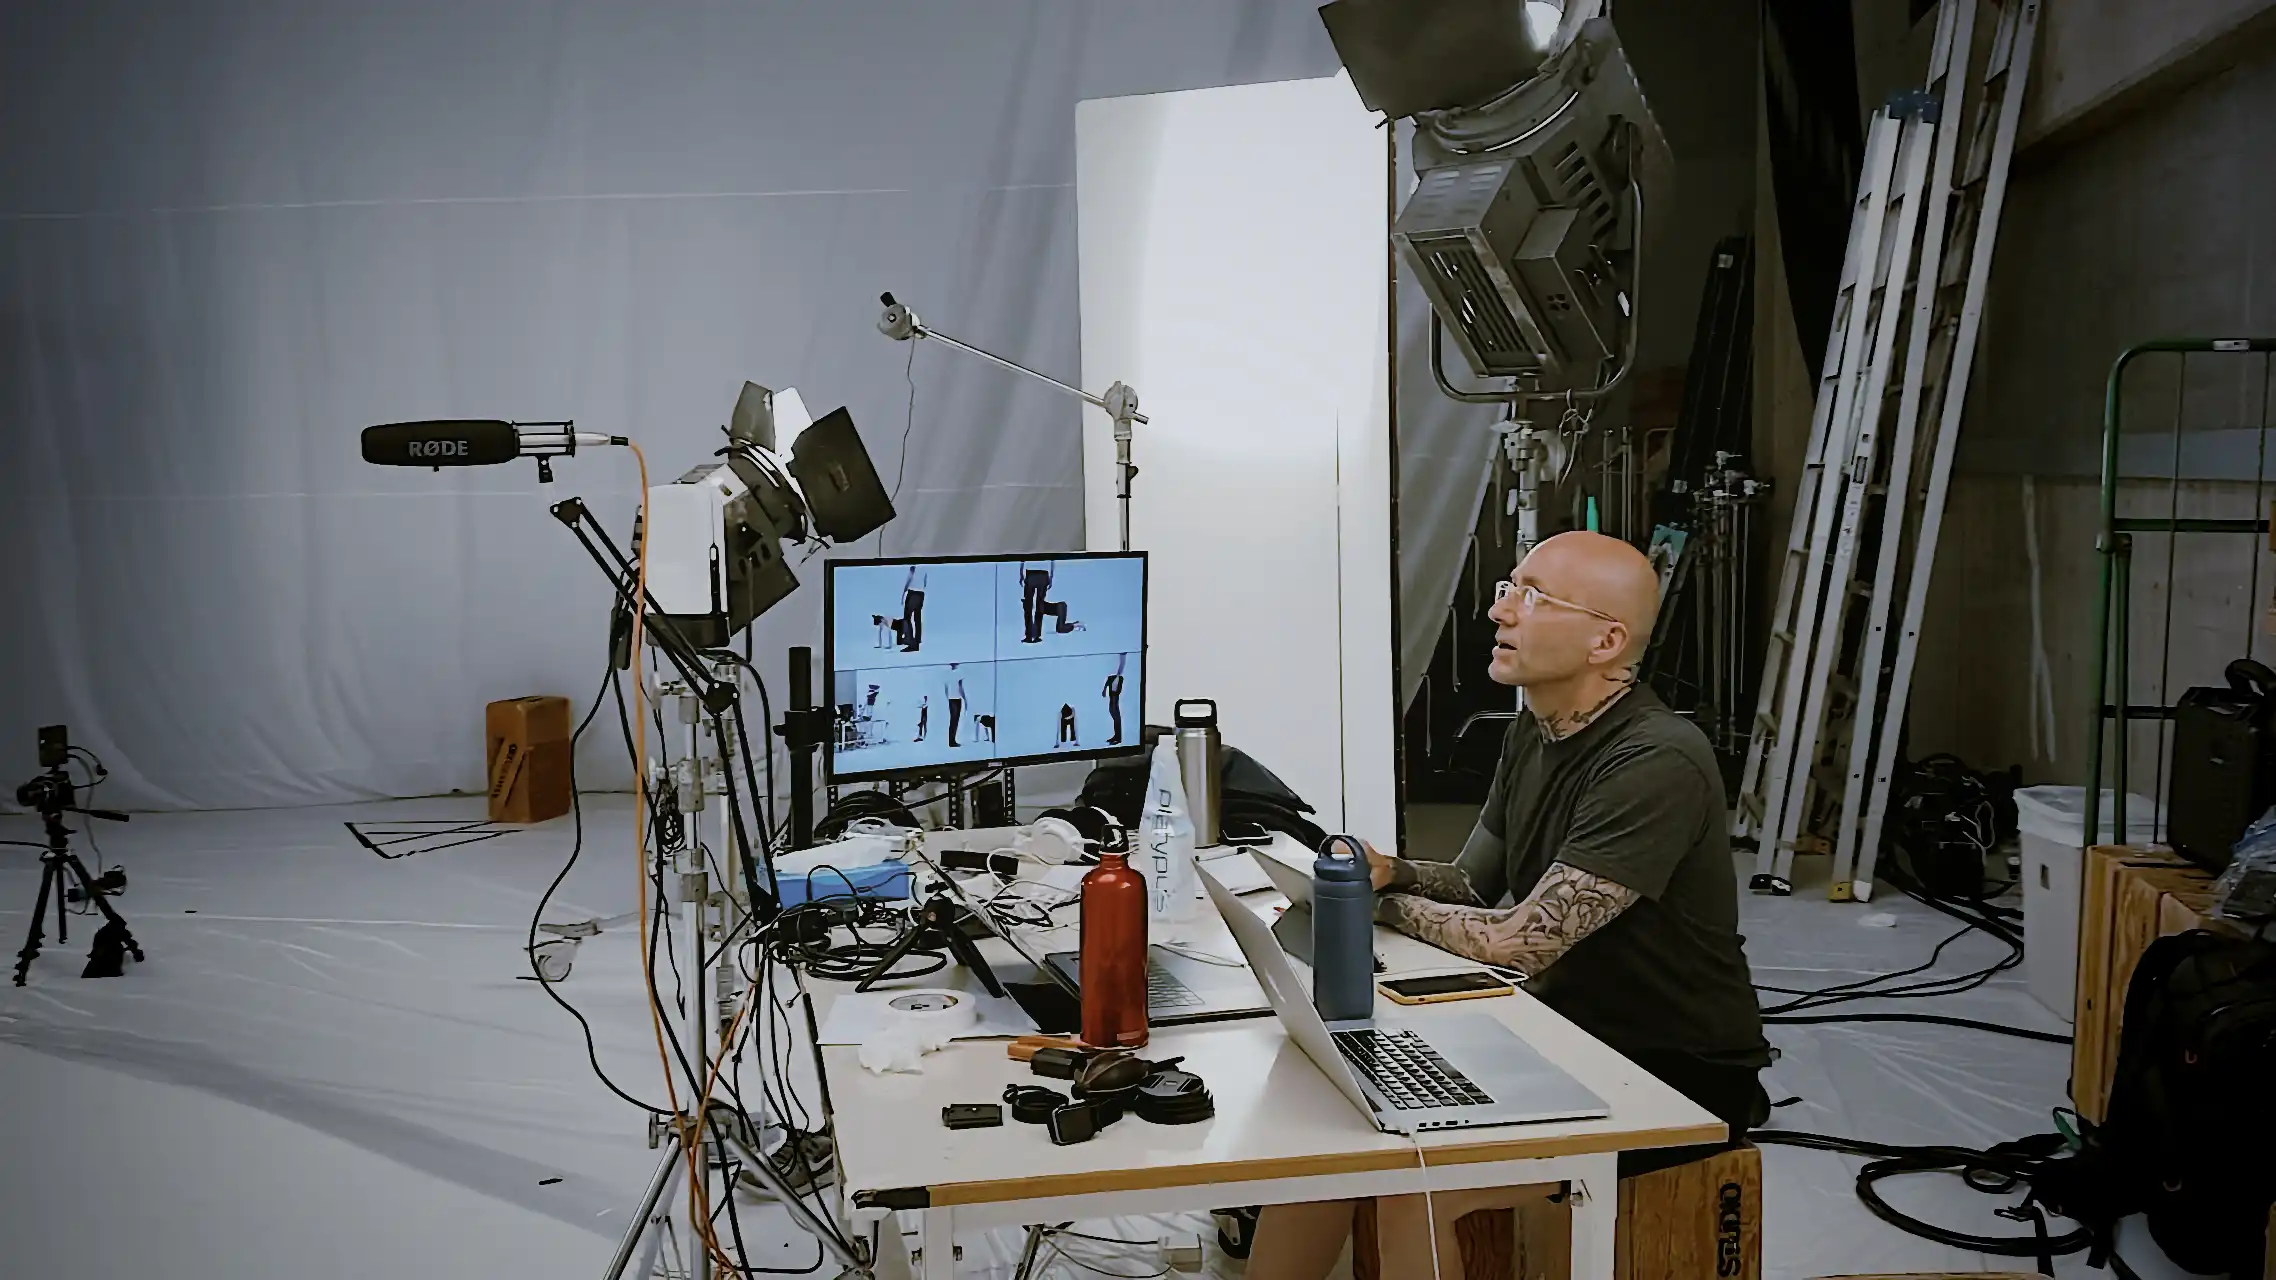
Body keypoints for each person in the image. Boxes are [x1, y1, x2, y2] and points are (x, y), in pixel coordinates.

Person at [1244, 531, 1770, 1280]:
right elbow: (1471, 885)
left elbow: (1520, 943)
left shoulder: (1656, 759)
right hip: (1564, 1036)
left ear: (1606, 640)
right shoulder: (1534, 726)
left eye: (1530, 596)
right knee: (1324, 1151)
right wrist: (1388, 873)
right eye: (1507, 586)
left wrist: (1367, 905)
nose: (1500, 611)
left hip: (1670, 1071)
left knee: (1410, 1188)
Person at [1021, 561, 1053, 644]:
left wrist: (1021, 573)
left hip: (1031, 573)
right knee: (1039, 607)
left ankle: (1029, 635)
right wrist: (1051, 577)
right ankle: (1036, 635)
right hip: (1043, 574)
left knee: (1028, 607)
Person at [899, 566, 927, 651]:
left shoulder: (913, 567)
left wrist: (904, 592)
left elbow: (909, 579)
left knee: (907, 617)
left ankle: (910, 641)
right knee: (917, 618)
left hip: (913, 593)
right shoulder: (925, 568)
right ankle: (917, 641)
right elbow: (925, 582)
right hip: (921, 593)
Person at [1101, 654, 1127, 745]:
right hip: (1112, 698)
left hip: (1115, 698)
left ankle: (1118, 737)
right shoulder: (1111, 678)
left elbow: (1118, 690)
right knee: (1113, 714)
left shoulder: (1120, 679)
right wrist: (1104, 691)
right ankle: (1116, 736)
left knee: (1116, 717)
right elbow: (1107, 684)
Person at [945, 666, 966, 748]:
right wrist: (964, 698)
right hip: (955, 699)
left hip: (953, 699)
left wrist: (948, 698)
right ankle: (952, 741)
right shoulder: (958, 674)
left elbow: (946, 688)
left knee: (953, 721)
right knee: (954, 720)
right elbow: (960, 687)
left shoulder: (949, 674)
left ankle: (952, 741)